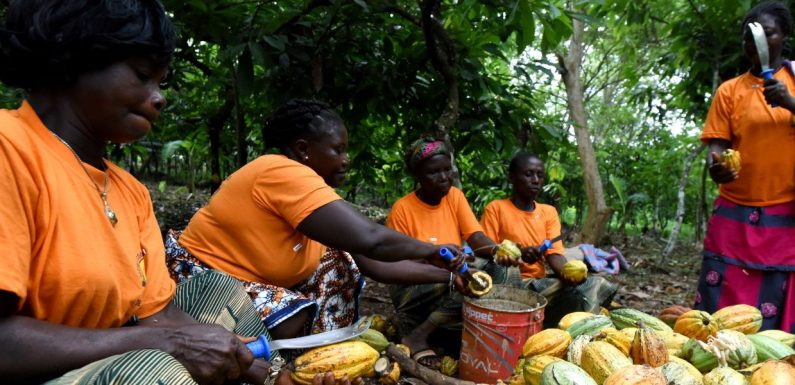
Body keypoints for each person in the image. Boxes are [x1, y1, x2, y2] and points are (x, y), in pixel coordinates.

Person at [0, 1, 334, 384]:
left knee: (216, 290)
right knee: (153, 367)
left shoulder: (131, 192)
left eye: (160, 82)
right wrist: (165, 345)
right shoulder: (9, 148)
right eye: (142, 75)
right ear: (72, 57)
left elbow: (156, 313)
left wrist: (256, 368)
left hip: (101, 360)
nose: (158, 97)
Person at [165, 99, 469, 343]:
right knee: (291, 315)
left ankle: (315, 347)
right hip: (203, 280)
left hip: (251, 278)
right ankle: (277, 362)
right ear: (303, 150)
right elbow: (371, 238)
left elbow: (375, 264)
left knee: (340, 260)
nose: (346, 160)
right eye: (338, 150)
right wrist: (429, 250)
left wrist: (445, 275)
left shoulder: (311, 197)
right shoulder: (280, 171)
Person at [696, 0, 795, 332]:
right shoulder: (730, 90)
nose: (758, 43)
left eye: (768, 33)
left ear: (784, 36)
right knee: (720, 293)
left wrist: (790, 102)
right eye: (750, 36)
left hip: (786, 210)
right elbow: (717, 147)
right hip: (736, 211)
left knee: (778, 296)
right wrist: (717, 166)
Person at [386, 136, 510, 369]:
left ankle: (461, 334)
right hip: (415, 284)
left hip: (453, 277)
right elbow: (400, 262)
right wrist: (438, 260)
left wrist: (497, 250)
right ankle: (418, 335)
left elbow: (475, 237)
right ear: (418, 176)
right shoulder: (402, 209)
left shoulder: (454, 196)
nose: (444, 177)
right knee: (465, 283)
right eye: (434, 172)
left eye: (447, 169)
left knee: (502, 272)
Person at [479, 152, 618, 328]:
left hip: (538, 286)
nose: (536, 180)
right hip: (507, 284)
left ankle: (585, 331)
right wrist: (519, 254)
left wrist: (568, 275)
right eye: (529, 174)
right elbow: (488, 249)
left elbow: (554, 255)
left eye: (540, 175)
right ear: (512, 177)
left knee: (595, 284)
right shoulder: (496, 208)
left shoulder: (548, 212)